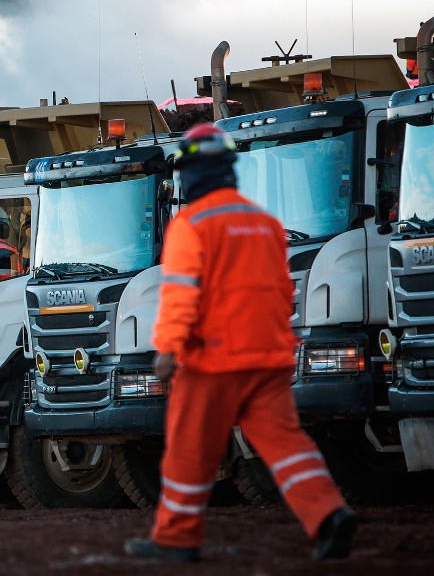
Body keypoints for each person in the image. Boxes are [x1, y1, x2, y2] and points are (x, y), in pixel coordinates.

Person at [125, 123, 356, 562]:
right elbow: (284, 292)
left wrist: (169, 348)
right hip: (269, 357)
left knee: (190, 450)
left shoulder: (192, 225)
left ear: (192, 173)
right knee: (287, 445)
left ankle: (176, 538)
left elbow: (180, 295)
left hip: (212, 361)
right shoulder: (264, 222)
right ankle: (329, 514)